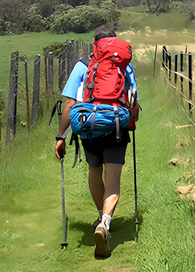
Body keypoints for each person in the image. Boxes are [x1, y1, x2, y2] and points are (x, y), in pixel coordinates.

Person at [54, 24, 140, 258]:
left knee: (94, 171)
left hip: (89, 126)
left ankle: (100, 215)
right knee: (113, 180)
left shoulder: (83, 65)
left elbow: (70, 104)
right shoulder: (125, 65)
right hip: (116, 126)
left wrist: (61, 136)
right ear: (115, 42)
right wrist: (131, 120)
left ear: (94, 42)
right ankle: (105, 223)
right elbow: (134, 104)